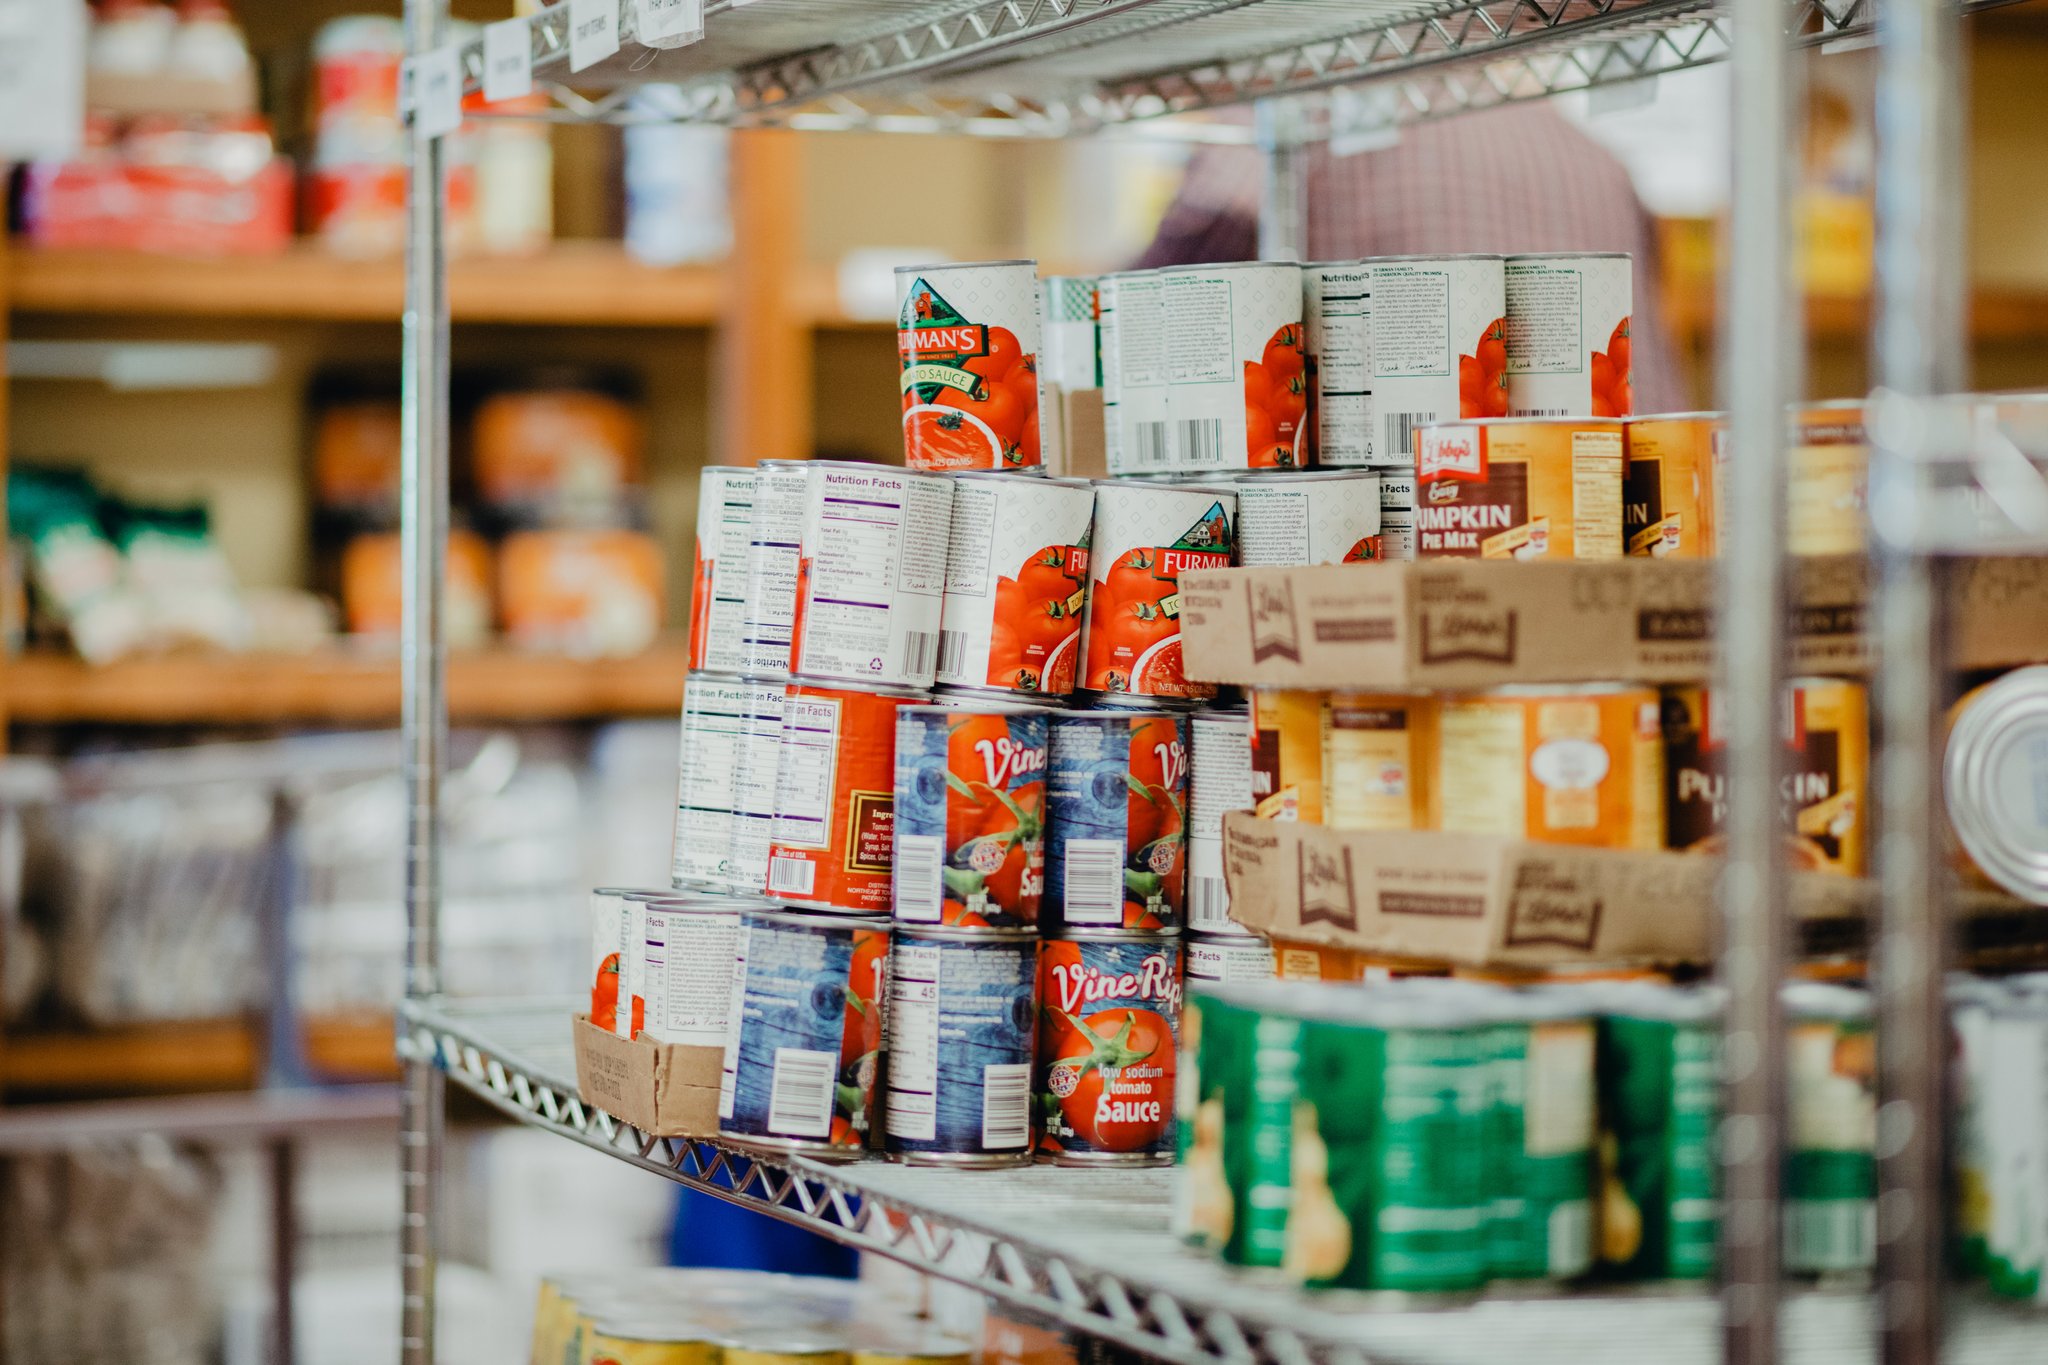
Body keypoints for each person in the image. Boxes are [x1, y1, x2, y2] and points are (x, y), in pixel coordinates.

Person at [1134, 103, 1684, 415]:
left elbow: (1171, 282)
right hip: (1622, 494)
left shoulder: (1303, 111)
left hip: (1427, 501)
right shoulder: (1590, 152)